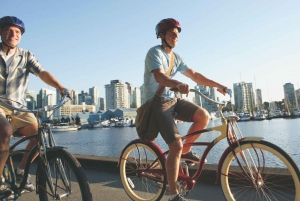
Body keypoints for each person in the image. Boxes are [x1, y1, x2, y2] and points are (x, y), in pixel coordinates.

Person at [144, 18, 227, 201]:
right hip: (156, 102)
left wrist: (218, 85)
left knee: (203, 115)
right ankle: (173, 194)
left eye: (177, 34)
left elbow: (195, 75)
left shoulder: (176, 58)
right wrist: (178, 83)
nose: (175, 37)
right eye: (172, 34)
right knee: (175, 145)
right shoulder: (154, 53)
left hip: (173, 100)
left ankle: (184, 152)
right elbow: (159, 77)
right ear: (161, 35)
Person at [0, 16, 68, 197]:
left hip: (19, 107)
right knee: (4, 131)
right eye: (8, 30)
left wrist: (60, 87)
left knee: (40, 135)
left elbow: (42, 73)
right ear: (1, 32)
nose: (13, 34)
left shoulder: (26, 55)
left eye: (17, 32)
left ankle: (22, 171)